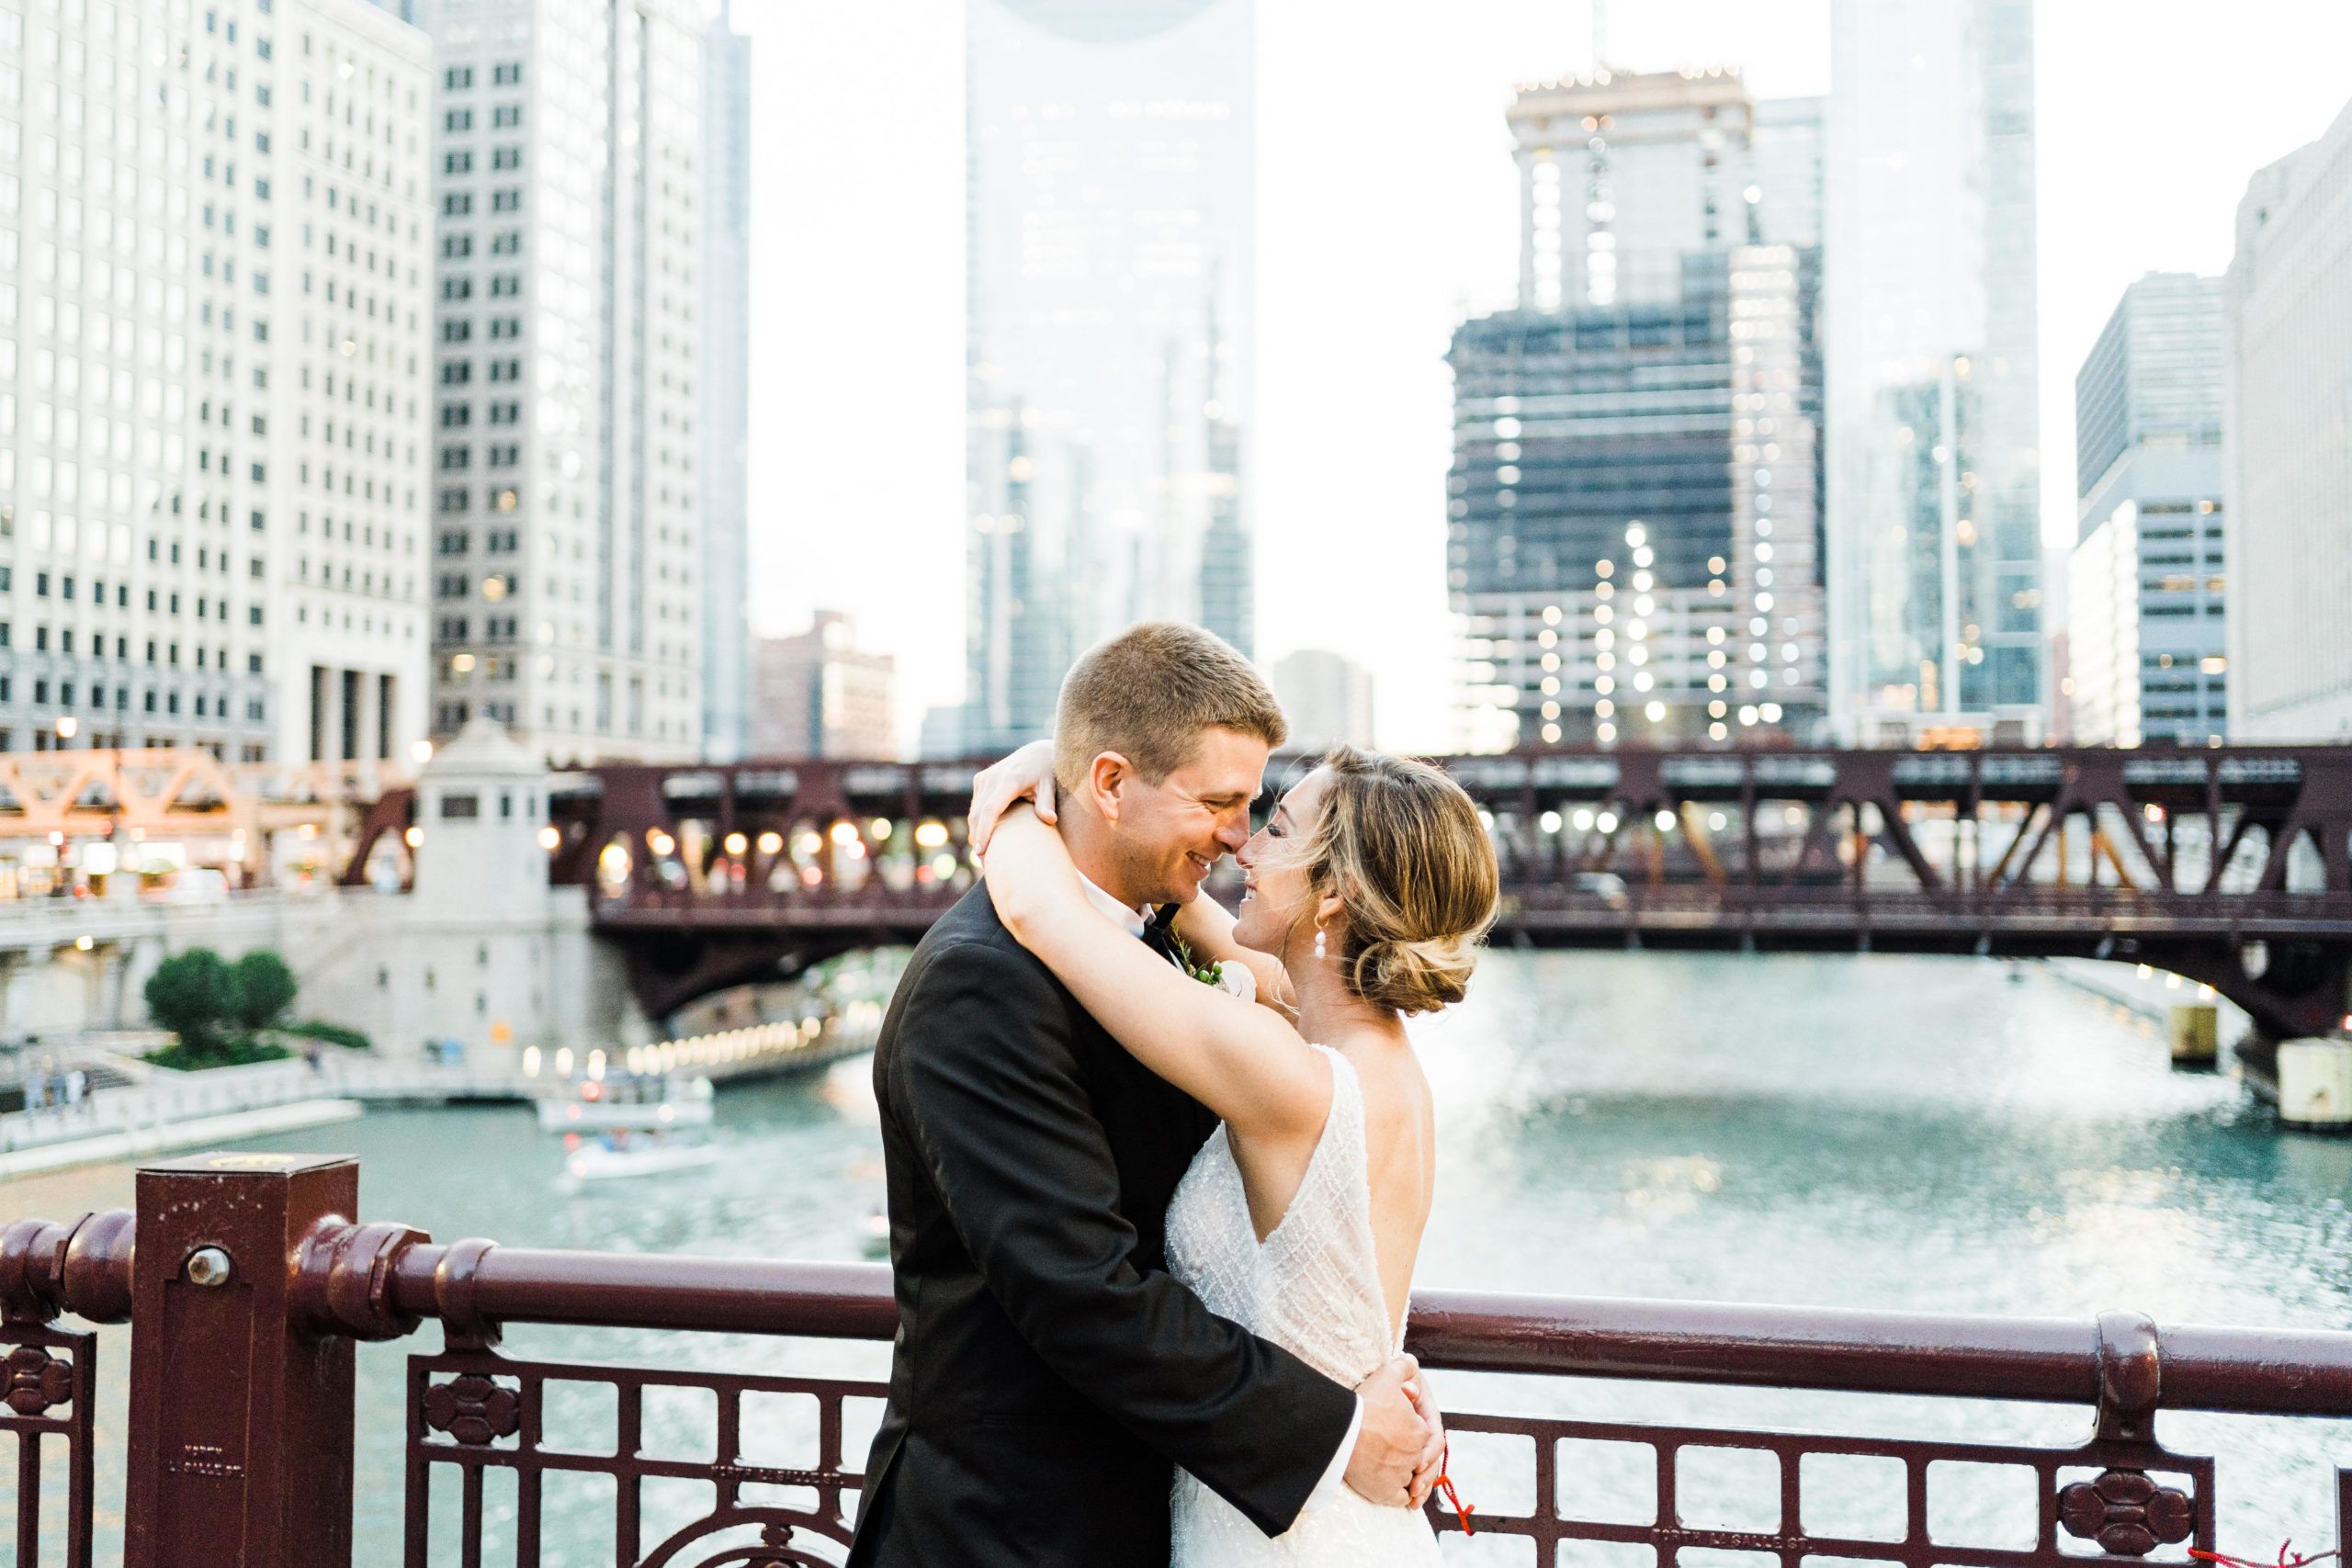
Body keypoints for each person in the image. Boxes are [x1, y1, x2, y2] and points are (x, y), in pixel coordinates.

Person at [846, 624, 1445, 1568]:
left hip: (1184, 1511)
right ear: (1113, 784)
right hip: (1011, 1530)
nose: (1240, 836)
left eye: (1258, 810)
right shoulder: (982, 984)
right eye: (1219, 802)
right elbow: (1082, 1291)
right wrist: (1336, 1431)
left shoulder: (1169, 954)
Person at [972, 728, 1498, 1564]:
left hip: (1281, 1533)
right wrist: (1067, 764)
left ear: (1333, 894)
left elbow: (1043, 913)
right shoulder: (1380, 1061)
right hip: (1345, 1515)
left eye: (1278, 829)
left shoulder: (1290, 1080)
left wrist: (1010, 805)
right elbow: (1182, 905)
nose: (1243, 846)